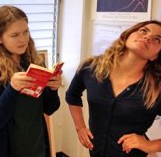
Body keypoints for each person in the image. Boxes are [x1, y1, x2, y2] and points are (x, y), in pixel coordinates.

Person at [66, 20, 161, 156]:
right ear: (128, 35)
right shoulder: (91, 67)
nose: (147, 37)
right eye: (144, 31)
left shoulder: (157, 88)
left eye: (157, 39)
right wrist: (80, 127)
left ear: (155, 56)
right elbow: (72, 96)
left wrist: (150, 145)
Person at [0, 5, 61, 157]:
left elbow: (49, 108)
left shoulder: (34, 62)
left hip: (37, 148)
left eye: (26, 32)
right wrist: (12, 89)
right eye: (15, 35)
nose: (23, 39)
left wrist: (53, 89)